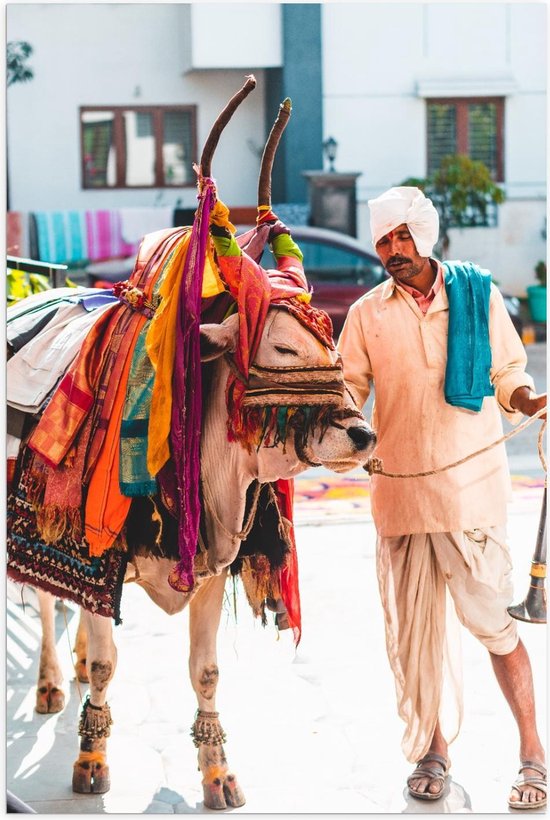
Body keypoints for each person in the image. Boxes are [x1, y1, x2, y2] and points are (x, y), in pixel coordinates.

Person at [337, 186, 547, 809]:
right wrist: (345, 431)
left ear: (423, 237)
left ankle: (533, 753)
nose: (393, 249)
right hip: (401, 497)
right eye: (383, 240)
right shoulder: (367, 315)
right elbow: (348, 389)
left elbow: (509, 372)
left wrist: (529, 400)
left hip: (471, 492)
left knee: (495, 626)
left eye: (402, 236)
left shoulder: (477, 297)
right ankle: (434, 751)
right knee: (415, 638)